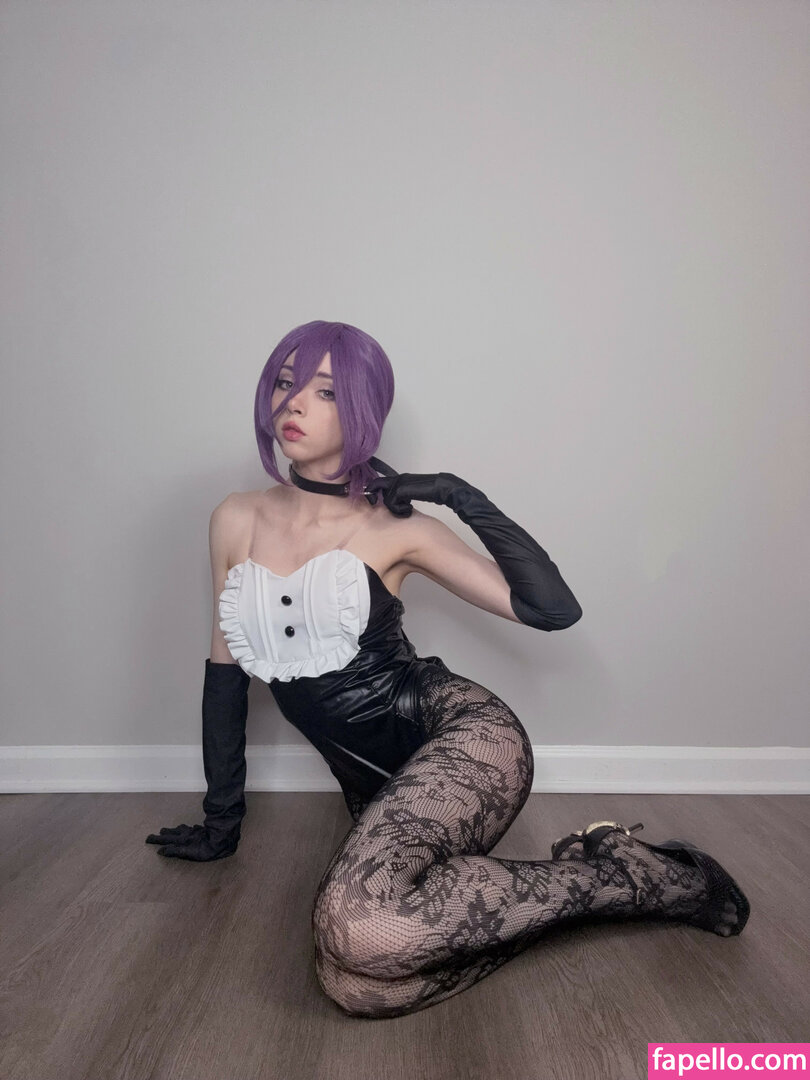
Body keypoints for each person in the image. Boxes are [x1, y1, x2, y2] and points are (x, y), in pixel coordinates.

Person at [146, 320, 750, 1019]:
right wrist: (221, 824)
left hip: (464, 740)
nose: (295, 403)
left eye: (326, 391)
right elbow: (224, 674)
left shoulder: (394, 528)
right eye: (285, 383)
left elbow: (552, 609)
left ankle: (659, 883)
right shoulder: (235, 518)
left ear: (364, 408)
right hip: (378, 791)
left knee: (355, 928)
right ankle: (604, 872)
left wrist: (459, 496)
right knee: (357, 985)